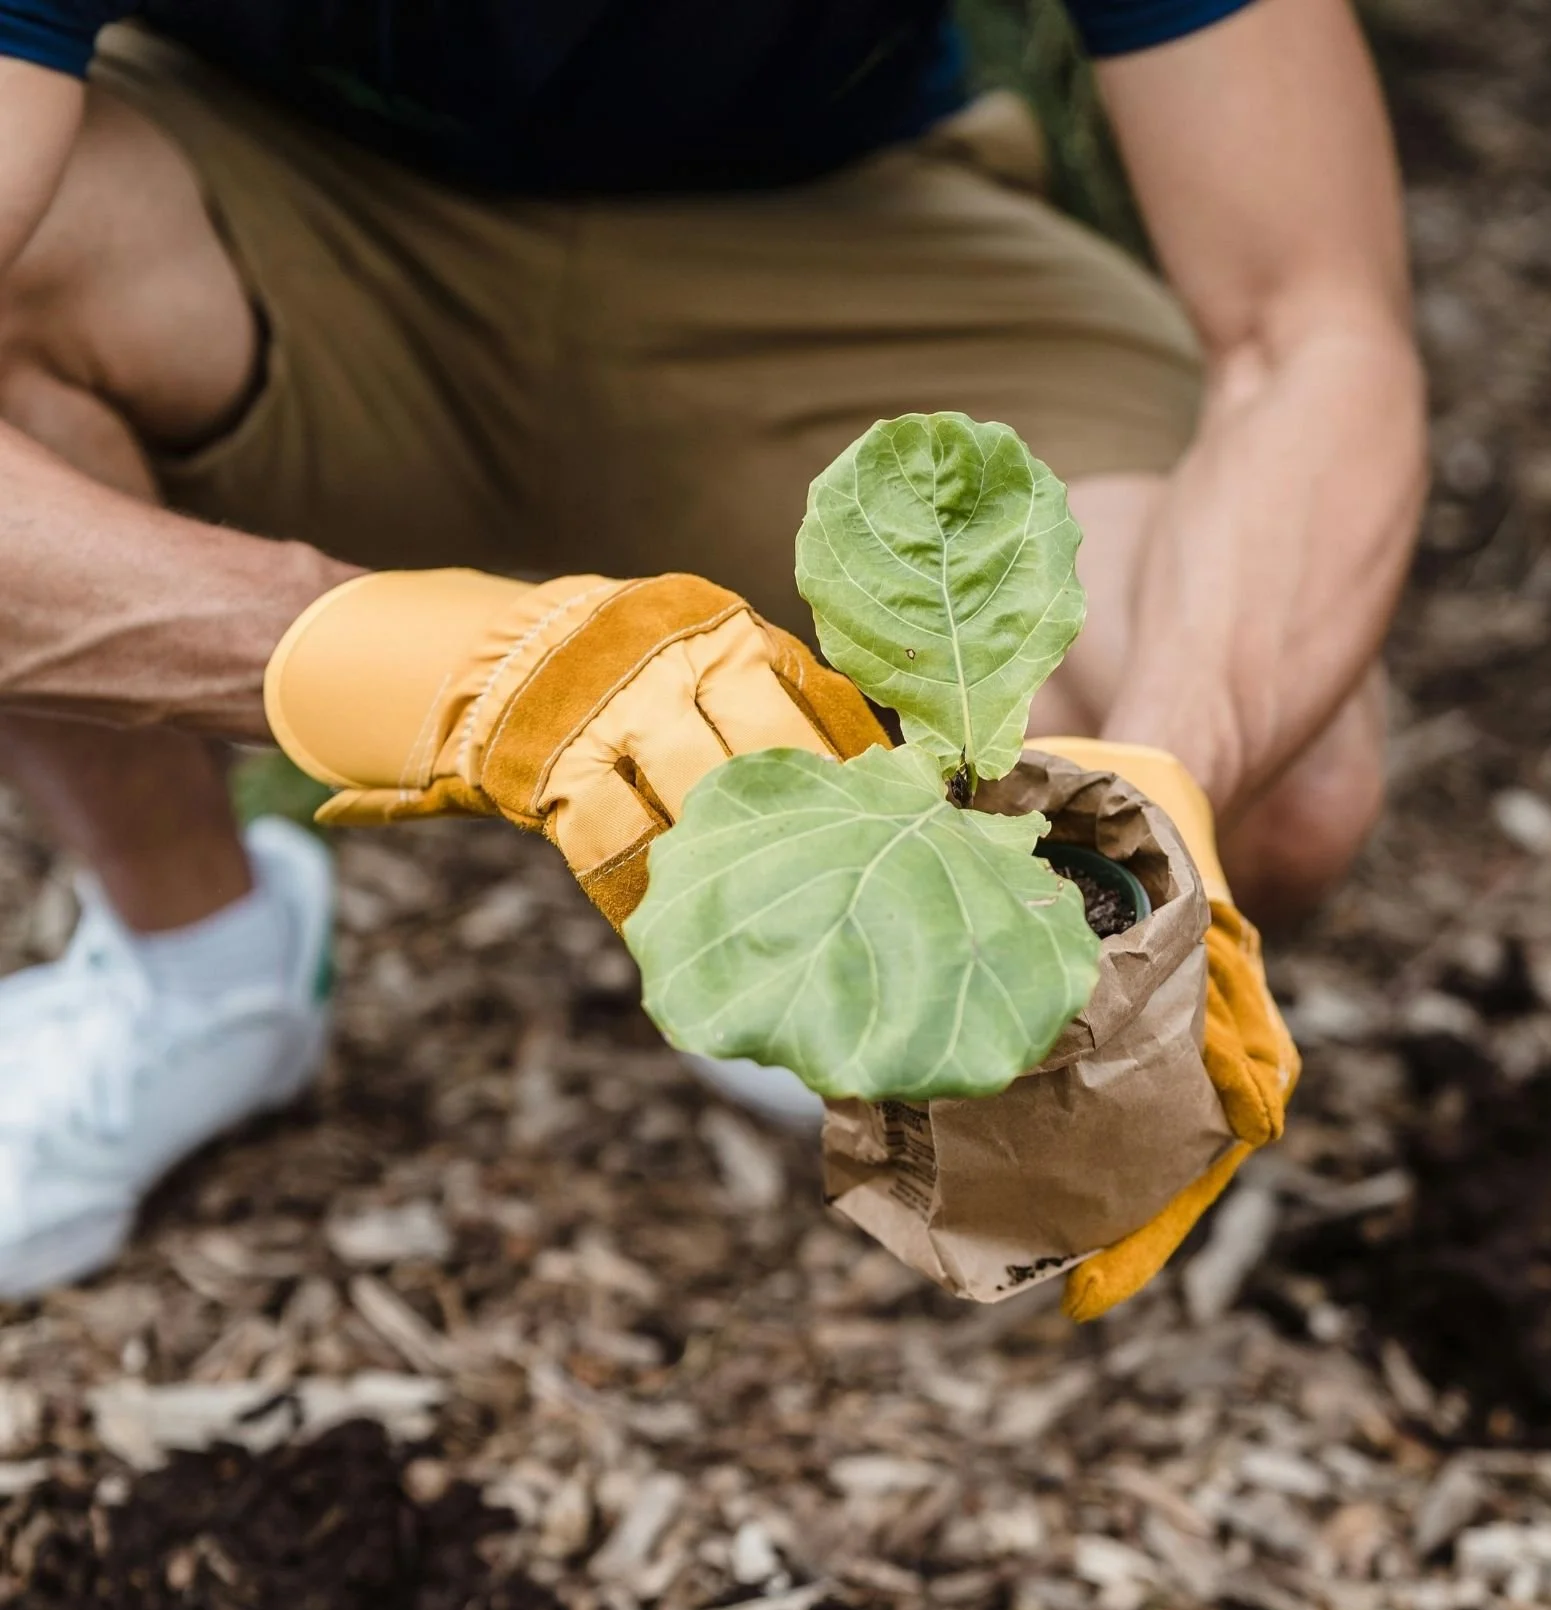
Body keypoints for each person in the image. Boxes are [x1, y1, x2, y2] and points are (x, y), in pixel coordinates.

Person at [0, 0, 1427, 1300]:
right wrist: (466, 679)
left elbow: (1310, 330)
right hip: (263, 214)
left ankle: (788, 948)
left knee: (1274, 793)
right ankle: (200, 972)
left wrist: (1163, 773)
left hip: (826, 237)